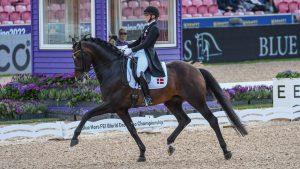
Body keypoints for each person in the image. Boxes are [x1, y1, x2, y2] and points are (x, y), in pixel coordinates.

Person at [123, 6, 165, 106]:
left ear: (153, 16)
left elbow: (146, 44)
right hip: (139, 52)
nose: (144, 16)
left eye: (146, 15)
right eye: (144, 14)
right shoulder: (147, 27)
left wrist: (131, 50)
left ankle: (147, 97)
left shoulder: (155, 28)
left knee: (139, 72)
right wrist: (126, 46)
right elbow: (138, 41)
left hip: (146, 53)